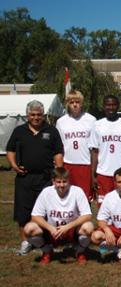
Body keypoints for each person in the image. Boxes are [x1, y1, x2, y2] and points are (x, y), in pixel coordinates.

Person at [6, 100, 64, 255]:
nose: (36, 117)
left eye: (39, 114)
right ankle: (25, 242)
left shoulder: (51, 131)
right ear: (27, 115)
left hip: (45, 178)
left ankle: (46, 240)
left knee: (45, 211)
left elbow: (58, 152)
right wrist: (13, 165)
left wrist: (58, 173)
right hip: (24, 178)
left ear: (43, 115)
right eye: (32, 115)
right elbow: (10, 150)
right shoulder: (19, 131)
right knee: (23, 212)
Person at [23, 167, 93, 264]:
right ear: (53, 181)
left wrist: (67, 227)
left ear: (69, 181)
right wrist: (50, 228)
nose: (61, 185)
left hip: (72, 231)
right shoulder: (46, 192)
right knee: (29, 228)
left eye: (64, 182)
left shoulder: (77, 191)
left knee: (88, 227)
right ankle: (47, 251)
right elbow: (35, 216)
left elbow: (88, 215)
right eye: (58, 182)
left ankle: (79, 251)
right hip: (52, 231)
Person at [89, 95, 121, 205]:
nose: (111, 108)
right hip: (103, 173)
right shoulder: (97, 125)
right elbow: (94, 151)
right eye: (108, 105)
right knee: (103, 207)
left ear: (118, 106)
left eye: (113, 105)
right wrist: (93, 175)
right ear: (103, 106)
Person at [56, 90, 96, 201]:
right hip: (68, 165)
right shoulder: (61, 122)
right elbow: (59, 146)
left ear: (82, 103)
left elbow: (95, 147)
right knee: (68, 198)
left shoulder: (91, 120)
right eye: (71, 102)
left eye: (77, 102)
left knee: (84, 199)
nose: (74, 104)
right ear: (67, 103)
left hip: (86, 164)